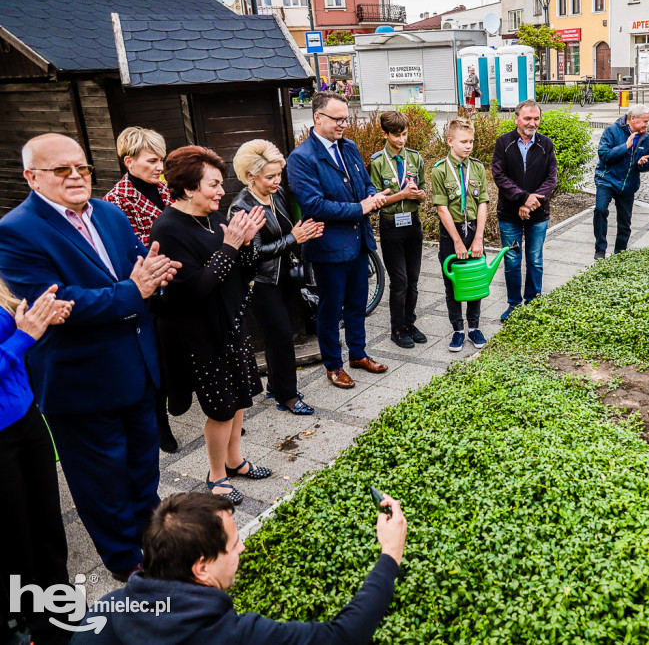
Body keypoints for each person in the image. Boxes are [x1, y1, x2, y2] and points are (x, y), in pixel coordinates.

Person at [0, 133, 179, 581]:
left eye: (81, 167)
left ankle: (153, 540)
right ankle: (125, 560)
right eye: (61, 170)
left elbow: (142, 264)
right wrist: (132, 290)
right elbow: (56, 303)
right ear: (32, 177)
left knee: (143, 467)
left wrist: (159, 276)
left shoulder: (110, 213)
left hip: (137, 367)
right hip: (81, 381)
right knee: (102, 481)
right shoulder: (16, 230)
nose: (76, 176)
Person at [70, 490, 407, 645]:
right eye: (232, 545)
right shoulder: (229, 634)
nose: (242, 547)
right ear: (201, 567)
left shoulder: (106, 610)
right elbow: (343, 636)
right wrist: (390, 552)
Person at [150, 146, 270, 506]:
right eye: (214, 184)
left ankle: (235, 460)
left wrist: (245, 244)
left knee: (238, 402)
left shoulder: (213, 219)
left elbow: (243, 270)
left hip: (230, 324)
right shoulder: (169, 229)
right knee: (220, 408)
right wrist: (231, 245)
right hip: (199, 335)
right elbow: (197, 288)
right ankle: (216, 475)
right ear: (189, 188)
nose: (221, 191)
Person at [287, 92, 389, 390]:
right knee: (331, 310)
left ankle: (358, 354)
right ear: (317, 118)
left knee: (357, 303)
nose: (343, 124)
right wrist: (360, 207)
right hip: (328, 248)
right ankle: (334, 365)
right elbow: (315, 205)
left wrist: (373, 196)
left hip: (358, 243)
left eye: (345, 118)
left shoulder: (349, 147)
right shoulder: (301, 158)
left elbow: (364, 182)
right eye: (337, 119)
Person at [1, 281, 73, 645]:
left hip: (26, 419)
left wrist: (39, 322)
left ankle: (63, 612)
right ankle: (29, 625)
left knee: (47, 522)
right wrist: (22, 337)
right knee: (15, 538)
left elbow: (17, 333)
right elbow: (15, 344)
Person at [229, 140, 323, 415]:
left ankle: (275, 385)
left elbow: (283, 230)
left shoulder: (276, 193)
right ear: (250, 176)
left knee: (276, 337)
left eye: (278, 174)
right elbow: (252, 254)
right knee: (281, 337)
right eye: (270, 177)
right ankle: (288, 396)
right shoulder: (241, 208)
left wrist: (298, 232)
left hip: (284, 278)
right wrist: (294, 238)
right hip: (261, 284)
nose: (276, 181)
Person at [103, 126, 179, 453]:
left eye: (161, 159)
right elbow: (127, 252)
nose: (159, 166)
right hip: (150, 288)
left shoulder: (163, 188)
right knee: (157, 358)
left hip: (181, 279)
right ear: (129, 161)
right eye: (151, 161)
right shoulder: (116, 201)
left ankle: (216, 415)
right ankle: (159, 422)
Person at [491, 99, 557, 322]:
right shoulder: (503, 143)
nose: (533, 122)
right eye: (528, 118)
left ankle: (533, 301)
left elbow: (551, 178)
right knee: (511, 260)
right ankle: (513, 304)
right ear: (517, 118)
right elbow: (499, 176)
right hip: (509, 214)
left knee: (535, 259)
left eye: (536, 118)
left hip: (538, 214)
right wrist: (522, 199)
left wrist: (532, 202)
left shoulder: (546, 144)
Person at [369, 110, 428, 349]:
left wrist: (419, 195)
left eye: (404, 134)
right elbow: (375, 200)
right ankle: (397, 328)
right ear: (384, 134)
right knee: (400, 280)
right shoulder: (377, 162)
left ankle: (409, 323)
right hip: (391, 225)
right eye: (396, 135)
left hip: (412, 223)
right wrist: (401, 194)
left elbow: (422, 192)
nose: (402, 140)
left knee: (413, 280)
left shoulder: (415, 158)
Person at [431, 118, 489, 353]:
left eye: (472, 142)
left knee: (475, 279)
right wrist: (456, 240)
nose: (468, 146)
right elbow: (442, 208)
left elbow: (483, 202)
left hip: (473, 229)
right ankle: (457, 329)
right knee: (452, 282)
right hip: (451, 233)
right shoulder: (440, 170)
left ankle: (474, 327)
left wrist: (478, 239)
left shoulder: (477, 167)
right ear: (450, 141)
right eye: (464, 142)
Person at [593, 104, 649, 260]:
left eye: (648, 121)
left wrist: (642, 164)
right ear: (633, 119)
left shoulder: (646, 138)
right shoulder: (611, 131)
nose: (647, 125)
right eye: (644, 121)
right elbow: (604, 155)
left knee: (624, 223)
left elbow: (646, 165)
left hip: (628, 184)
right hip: (607, 179)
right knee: (600, 210)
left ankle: (620, 253)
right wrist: (625, 146)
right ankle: (600, 249)